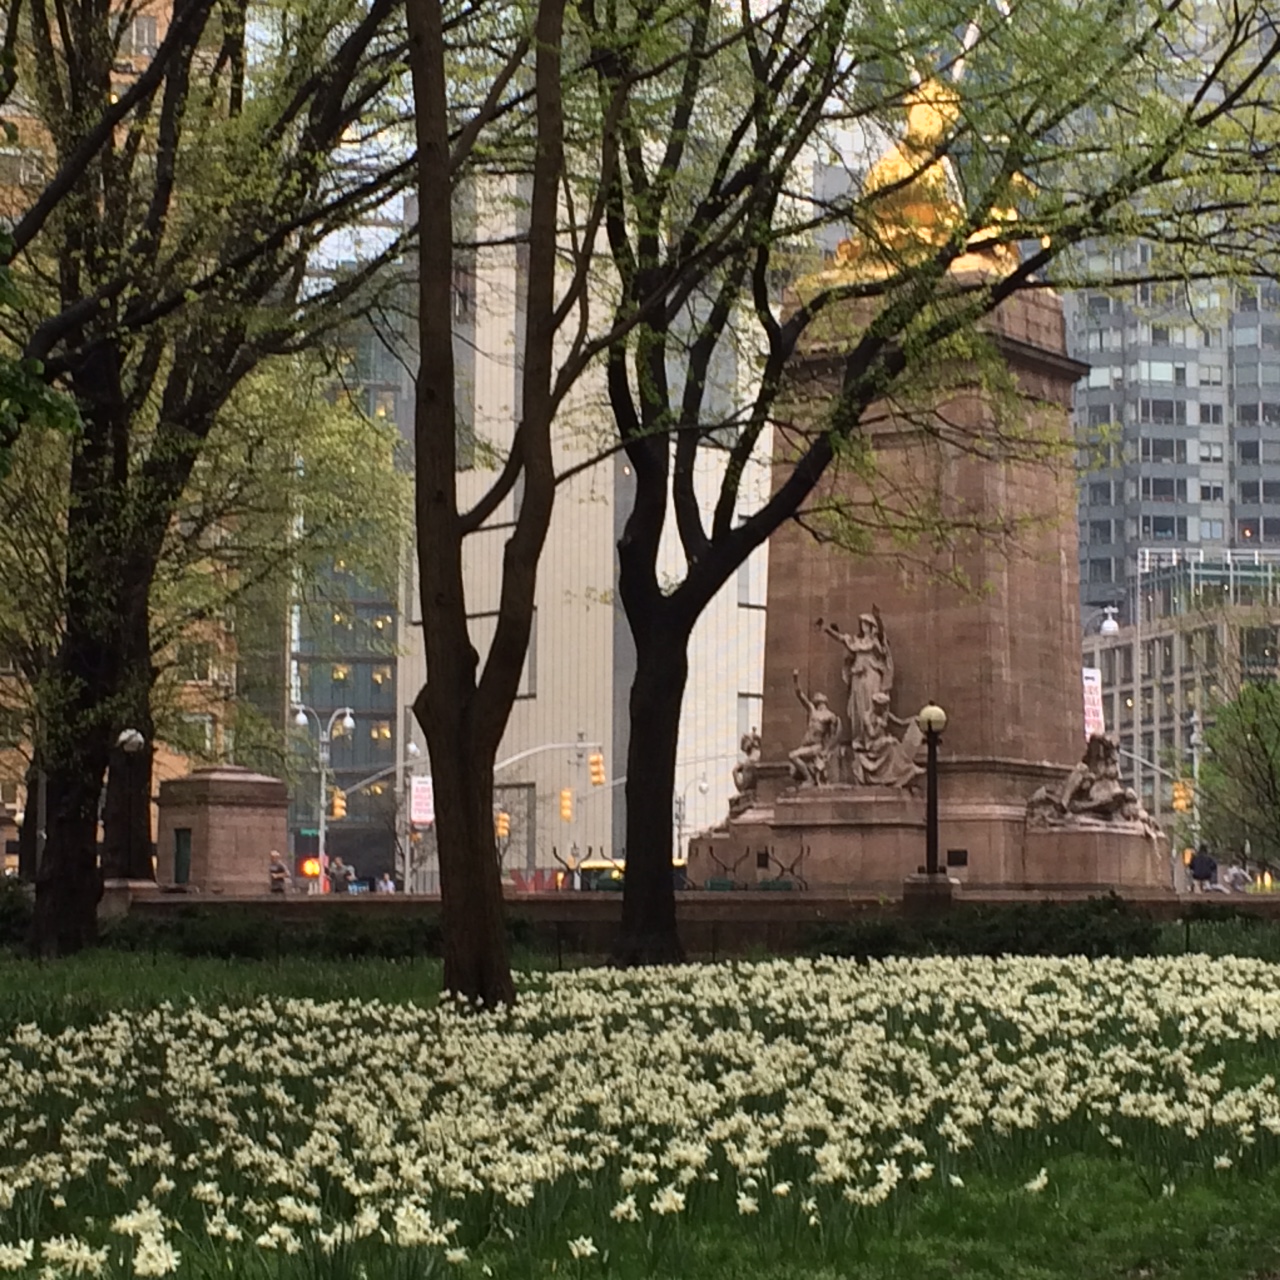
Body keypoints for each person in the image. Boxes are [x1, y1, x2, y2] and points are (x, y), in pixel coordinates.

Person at [820, 609, 893, 748]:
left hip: (872, 675)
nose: (863, 626)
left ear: (872, 626)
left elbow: (883, 648)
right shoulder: (855, 640)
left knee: (872, 704)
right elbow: (841, 638)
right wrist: (827, 629)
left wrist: (879, 619)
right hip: (858, 677)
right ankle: (859, 737)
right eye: (862, 623)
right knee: (858, 707)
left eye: (866, 623)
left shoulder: (875, 642)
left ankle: (872, 737)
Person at [788, 669, 841, 786]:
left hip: (816, 747)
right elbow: (800, 694)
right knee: (792, 763)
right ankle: (808, 776)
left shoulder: (830, 716)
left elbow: (835, 734)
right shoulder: (813, 710)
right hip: (806, 745)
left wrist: (826, 750)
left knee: (792, 755)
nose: (817, 697)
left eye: (819, 696)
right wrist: (795, 679)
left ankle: (809, 779)